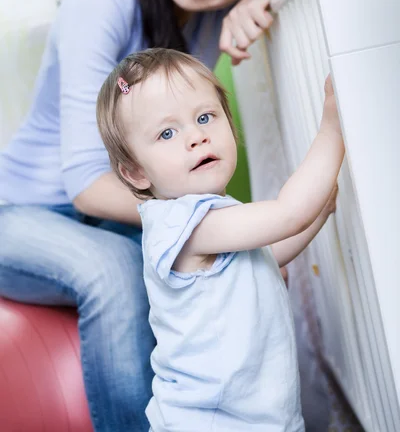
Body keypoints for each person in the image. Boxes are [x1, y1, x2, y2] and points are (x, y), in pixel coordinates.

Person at [0, 0, 303, 431]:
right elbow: (88, 184)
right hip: (21, 214)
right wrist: (207, 225)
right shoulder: (101, 1)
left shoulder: (211, 16)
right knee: (117, 270)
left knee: (242, 262)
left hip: (105, 216)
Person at [96, 48, 344, 432]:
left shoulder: (214, 215)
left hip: (255, 415)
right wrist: (333, 123)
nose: (196, 136)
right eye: (166, 132)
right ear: (136, 172)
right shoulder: (181, 223)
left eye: (205, 117)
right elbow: (286, 213)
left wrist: (316, 216)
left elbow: (266, 254)